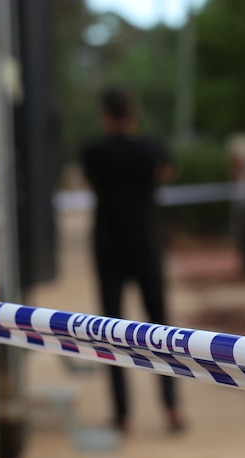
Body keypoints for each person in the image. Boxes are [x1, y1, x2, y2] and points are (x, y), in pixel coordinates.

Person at [79, 86, 184, 435]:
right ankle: (172, 409)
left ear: (106, 115)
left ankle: (122, 415)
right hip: (148, 248)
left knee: (111, 335)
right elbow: (165, 174)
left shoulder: (93, 153)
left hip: (109, 249)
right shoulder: (153, 150)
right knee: (162, 332)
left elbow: (91, 182)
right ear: (133, 114)